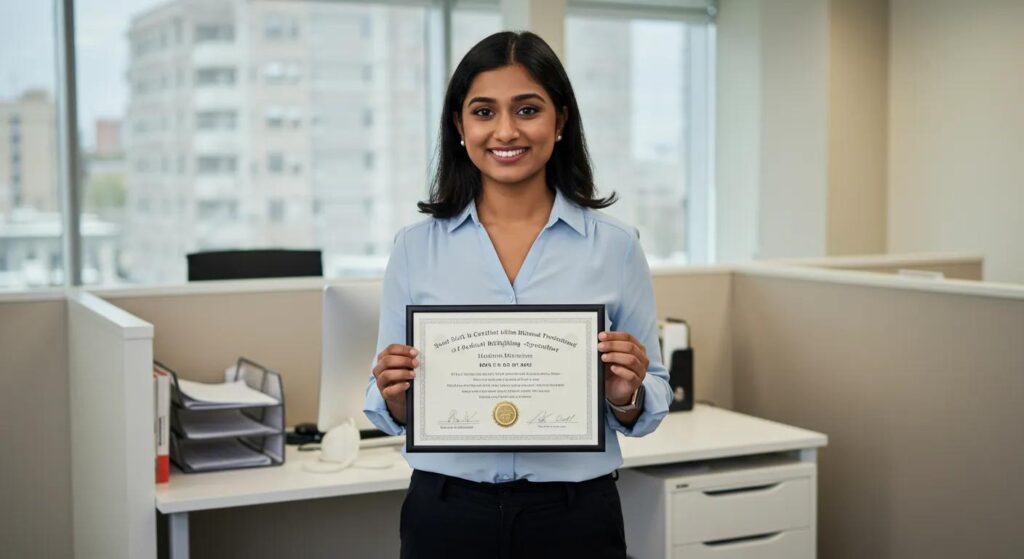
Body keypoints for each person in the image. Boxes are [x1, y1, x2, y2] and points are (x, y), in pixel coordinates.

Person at [363, 31, 671, 559]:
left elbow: (653, 394)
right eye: (483, 112)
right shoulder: (414, 248)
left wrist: (626, 395)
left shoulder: (617, 248)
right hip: (447, 513)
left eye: (527, 109)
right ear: (459, 126)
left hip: (574, 516)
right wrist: (395, 395)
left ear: (561, 121)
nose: (506, 130)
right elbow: (387, 400)